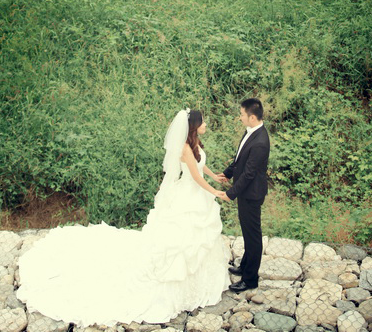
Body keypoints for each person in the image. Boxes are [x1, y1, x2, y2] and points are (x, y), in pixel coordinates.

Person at [16, 109, 230, 328]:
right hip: (188, 194)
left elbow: (200, 164)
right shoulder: (184, 148)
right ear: (194, 126)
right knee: (181, 239)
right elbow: (194, 176)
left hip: (196, 194)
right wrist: (215, 192)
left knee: (198, 237)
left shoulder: (195, 144)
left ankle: (198, 278)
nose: (206, 124)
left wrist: (214, 176)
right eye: (203, 122)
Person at [218, 98, 270, 293]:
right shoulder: (251, 132)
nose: (240, 117)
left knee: (253, 237)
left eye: (242, 114)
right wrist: (227, 173)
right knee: (248, 233)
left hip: (251, 194)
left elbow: (249, 173)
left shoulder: (261, 142)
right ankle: (245, 266)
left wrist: (230, 193)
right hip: (245, 192)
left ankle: (250, 280)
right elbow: (240, 159)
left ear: (252, 117)